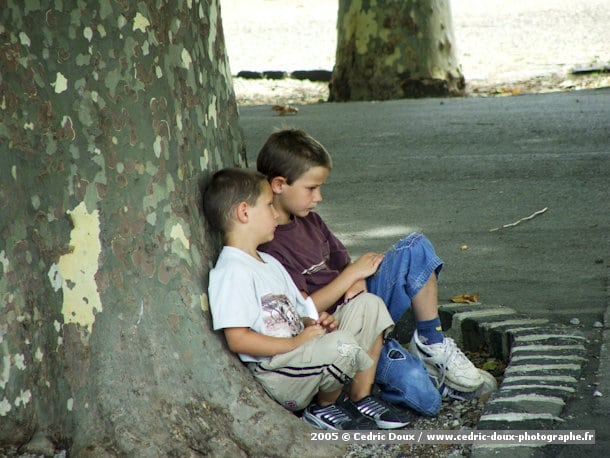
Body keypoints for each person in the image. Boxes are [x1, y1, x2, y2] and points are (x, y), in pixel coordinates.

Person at [255, 128, 490, 414]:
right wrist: (349, 278)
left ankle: (431, 344)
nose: (319, 197)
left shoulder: (311, 221)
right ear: (279, 184)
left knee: (415, 246)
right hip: (337, 332)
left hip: (367, 305)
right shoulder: (269, 243)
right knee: (427, 402)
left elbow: (345, 263)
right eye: (311, 188)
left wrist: (357, 280)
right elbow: (302, 310)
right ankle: (387, 371)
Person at [202, 167, 412, 430]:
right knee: (341, 345)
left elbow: (299, 310)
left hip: (303, 351)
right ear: (244, 212)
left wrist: (312, 322)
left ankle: (361, 398)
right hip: (280, 369)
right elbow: (238, 338)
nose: (276, 214)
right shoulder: (231, 271)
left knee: (369, 305)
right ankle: (323, 408)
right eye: (269, 206)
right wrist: (295, 342)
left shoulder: (268, 261)